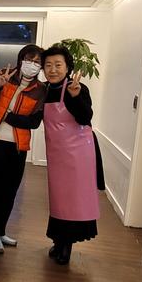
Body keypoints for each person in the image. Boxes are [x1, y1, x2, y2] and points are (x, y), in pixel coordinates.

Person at [39, 46, 105, 265]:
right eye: (48, 65)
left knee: (73, 199)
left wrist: (75, 97)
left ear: (67, 67)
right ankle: (58, 241)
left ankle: (66, 245)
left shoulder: (77, 88)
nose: (53, 70)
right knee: (58, 198)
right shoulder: (44, 90)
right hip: (56, 153)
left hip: (78, 153)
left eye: (58, 65)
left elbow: (85, 117)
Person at [0, 44, 46, 254]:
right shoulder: (5, 77)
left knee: (11, 190)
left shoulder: (41, 90)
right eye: (29, 59)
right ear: (20, 60)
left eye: (37, 62)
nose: (32, 64)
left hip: (18, 146)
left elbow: (34, 122)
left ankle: (1, 230)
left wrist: (8, 116)